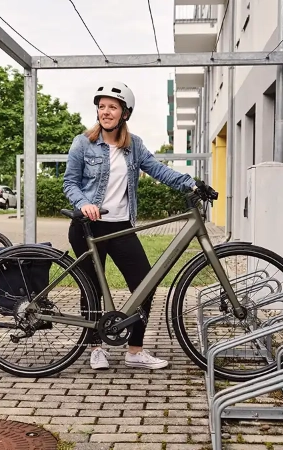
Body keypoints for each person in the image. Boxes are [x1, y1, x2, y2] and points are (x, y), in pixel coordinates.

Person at [63, 81, 198, 371]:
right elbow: (69, 183)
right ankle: (95, 347)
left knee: (144, 285)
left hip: (121, 226)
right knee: (92, 289)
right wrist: (84, 203)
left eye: (112, 107)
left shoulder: (133, 145)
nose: (105, 111)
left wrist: (191, 183)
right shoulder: (82, 142)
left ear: (125, 113)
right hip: (88, 227)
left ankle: (135, 350)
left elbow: (158, 170)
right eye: (102, 106)